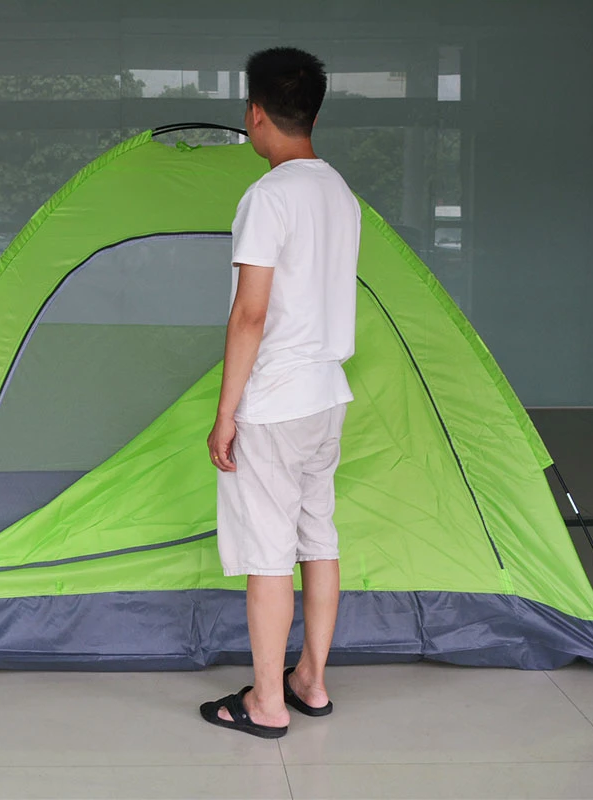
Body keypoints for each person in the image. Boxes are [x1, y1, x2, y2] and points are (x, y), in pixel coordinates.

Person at [199, 47, 360, 739]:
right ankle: (310, 683)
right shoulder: (340, 192)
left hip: (275, 402)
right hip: (327, 395)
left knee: (268, 556)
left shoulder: (268, 197)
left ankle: (266, 703)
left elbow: (251, 314)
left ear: (255, 114)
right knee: (318, 540)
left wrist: (225, 413)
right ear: (312, 114)